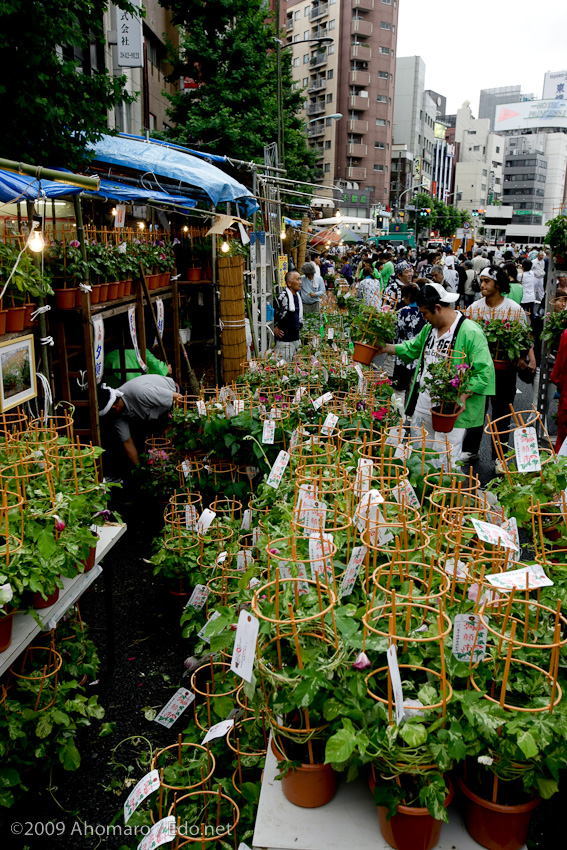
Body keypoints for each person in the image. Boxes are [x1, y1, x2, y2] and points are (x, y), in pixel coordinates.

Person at [376, 282, 495, 464]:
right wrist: (385, 348)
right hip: (424, 403)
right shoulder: (429, 330)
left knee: (446, 458)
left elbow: (484, 372)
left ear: (438, 308)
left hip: (451, 409)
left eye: (425, 313)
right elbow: (412, 347)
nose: (423, 318)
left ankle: (444, 491)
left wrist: (462, 396)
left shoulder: (470, 331)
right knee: (419, 453)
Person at [461, 266, 536, 463]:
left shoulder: (514, 309)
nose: (482, 285)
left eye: (487, 281)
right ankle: (470, 449)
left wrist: (528, 360)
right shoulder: (473, 309)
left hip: (505, 371)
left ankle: (499, 457)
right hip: (478, 370)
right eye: (482, 281)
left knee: (501, 414)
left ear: (499, 284)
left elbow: (525, 338)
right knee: (476, 410)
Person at [98, 374, 183, 466]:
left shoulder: (141, 393)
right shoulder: (117, 415)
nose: (111, 416)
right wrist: (140, 469)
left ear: (114, 408)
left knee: (176, 442)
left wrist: (171, 426)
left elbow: (179, 398)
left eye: (110, 413)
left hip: (176, 402)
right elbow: (127, 442)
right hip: (153, 415)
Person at [392, 282, 425, 395]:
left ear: (408, 296)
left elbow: (396, 334)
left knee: (399, 390)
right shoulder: (423, 312)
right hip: (419, 355)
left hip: (403, 354)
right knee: (414, 390)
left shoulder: (402, 312)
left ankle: (398, 412)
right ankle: (411, 412)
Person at [273, 270, 303, 362]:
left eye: (300, 279)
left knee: (296, 369)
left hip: (296, 339)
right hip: (284, 342)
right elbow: (273, 314)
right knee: (283, 368)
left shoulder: (297, 296)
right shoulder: (282, 297)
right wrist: (274, 327)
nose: (300, 282)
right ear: (289, 283)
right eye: (297, 279)